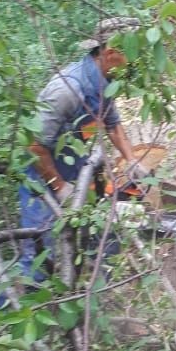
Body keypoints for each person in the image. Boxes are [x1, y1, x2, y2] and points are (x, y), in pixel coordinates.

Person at [19, 18, 148, 283]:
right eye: (132, 54)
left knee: (99, 234)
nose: (135, 63)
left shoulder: (105, 83)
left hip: (77, 169)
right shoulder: (67, 90)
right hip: (42, 179)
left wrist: (132, 159)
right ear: (111, 53)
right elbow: (34, 146)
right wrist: (60, 187)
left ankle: (95, 294)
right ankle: (26, 310)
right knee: (41, 256)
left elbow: (113, 125)